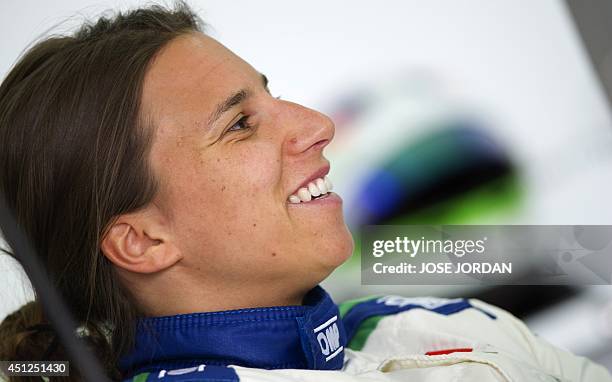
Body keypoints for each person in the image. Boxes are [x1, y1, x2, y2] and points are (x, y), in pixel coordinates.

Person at [0, 3, 609, 381]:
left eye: (275, 94)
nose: (317, 126)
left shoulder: (423, 319)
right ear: (142, 239)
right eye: (240, 124)